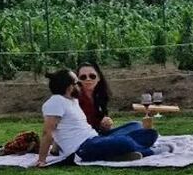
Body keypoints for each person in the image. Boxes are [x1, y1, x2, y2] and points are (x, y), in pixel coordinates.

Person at [37, 69, 171, 167]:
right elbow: (48, 132)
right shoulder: (55, 102)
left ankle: (120, 155)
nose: (80, 85)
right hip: (82, 148)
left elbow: (62, 129)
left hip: (95, 138)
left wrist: (55, 149)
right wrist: (41, 160)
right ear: (69, 86)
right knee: (125, 142)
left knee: (142, 129)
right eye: (77, 82)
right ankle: (150, 151)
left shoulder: (72, 100)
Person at [76, 62, 145, 136]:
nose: (88, 79)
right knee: (130, 138)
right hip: (88, 137)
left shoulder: (99, 96)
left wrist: (106, 125)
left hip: (101, 134)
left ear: (98, 78)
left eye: (92, 76)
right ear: (78, 80)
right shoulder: (76, 99)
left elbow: (103, 125)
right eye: (83, 77)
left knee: (137, 125)